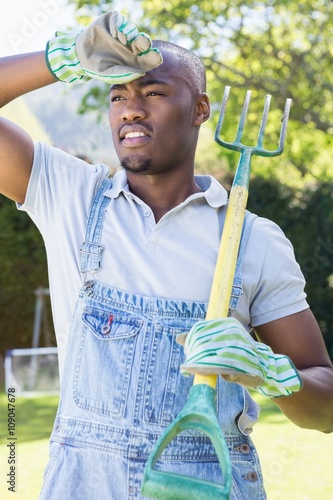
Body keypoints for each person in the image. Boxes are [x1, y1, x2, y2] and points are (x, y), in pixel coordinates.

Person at [1, 10, 333, 500]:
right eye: (118, 96)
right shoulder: (68, 195)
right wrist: (66, 57)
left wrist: (271, 372)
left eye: (153, 93)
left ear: (200, 109)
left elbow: (325, 406)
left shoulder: (254, 241)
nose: (131, 109)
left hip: (208, 486)